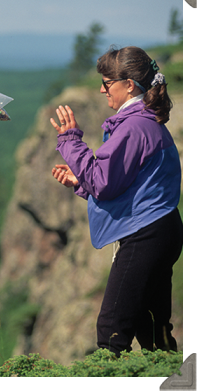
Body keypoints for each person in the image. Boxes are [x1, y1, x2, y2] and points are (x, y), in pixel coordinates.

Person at [49, 46, 183, 356]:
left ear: (129, 84)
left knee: (112, 329)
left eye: (107, 82)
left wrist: (70, 141)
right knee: (153, 329)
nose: (101, 89)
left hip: (145, 234)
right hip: (161, 229)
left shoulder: (134, 126)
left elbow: (105, 183)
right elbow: (124, 182)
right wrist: (81, 180)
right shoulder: (147, 122)